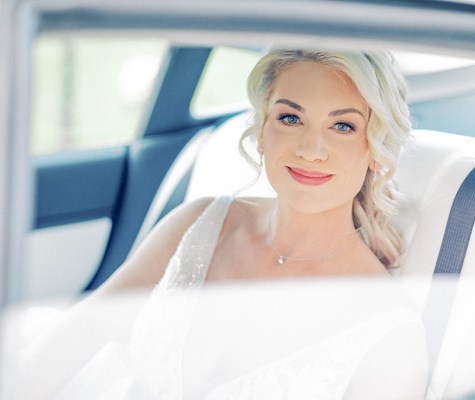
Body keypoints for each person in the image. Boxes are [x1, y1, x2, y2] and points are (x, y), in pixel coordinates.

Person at [21, 49, 427, 400]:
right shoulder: (198, 225)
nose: (311, 149)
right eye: (290, 118)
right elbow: (75, 337)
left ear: (375, 150)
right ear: (263, 132)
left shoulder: (387, 334)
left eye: (343, 126)